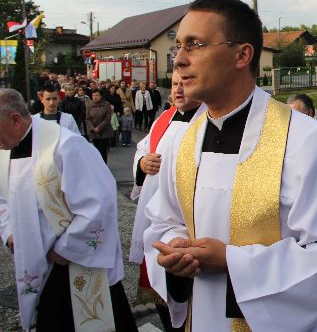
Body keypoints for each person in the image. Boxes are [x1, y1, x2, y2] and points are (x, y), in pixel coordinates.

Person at [143, 0, 317, 331]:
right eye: (178, 46)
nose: (179, 60)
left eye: (195, 45)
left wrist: (232, 263)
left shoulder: (306, 141)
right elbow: (163, 221)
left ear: (242, 54)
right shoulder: (180, 141)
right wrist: (175, 252)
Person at [0, 89, 137, 332]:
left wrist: (65, 249)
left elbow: (100, 203)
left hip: (70, 263)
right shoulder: (4, 151)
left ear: (14, 119)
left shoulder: (66, 145)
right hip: (33, 257)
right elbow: (3, 200)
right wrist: (10, 232)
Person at [129, 70, 205, 332]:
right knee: (156, 282)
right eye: (174, 84)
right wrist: (142, 162)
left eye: (185, 83)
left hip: (185, 224)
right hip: (154, 217)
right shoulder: (164, 118)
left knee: (187, 291)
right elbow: (143, 147)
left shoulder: (208, 119)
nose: (179, 90)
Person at [86, 89, 113, 163]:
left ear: (101, 96)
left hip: (105, 131)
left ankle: (104, 166)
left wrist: (99, 127)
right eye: (93, 95)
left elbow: (108, 118)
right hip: (93, 132)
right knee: (96, 150)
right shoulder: (89, 105)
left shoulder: (106, 104)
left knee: (102, 150)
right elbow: (87, 119)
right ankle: (98, 166)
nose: (95, 97)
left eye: (97, 95)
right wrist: (92, 128)